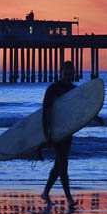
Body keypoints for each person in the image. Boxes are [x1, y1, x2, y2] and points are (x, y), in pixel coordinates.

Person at [41, 61, 78, 206]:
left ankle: (45, 193)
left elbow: (82, 110)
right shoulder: (53, 89)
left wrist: (95, 116)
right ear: (60, 72)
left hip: (67, 131)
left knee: (59, 164)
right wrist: (47, 133)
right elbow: (46, 111)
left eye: (71, 73)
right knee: (63, 162)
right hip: (55, 130)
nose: (69, 75)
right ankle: (69, 198)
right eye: (66, 73)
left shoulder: (75, 90)